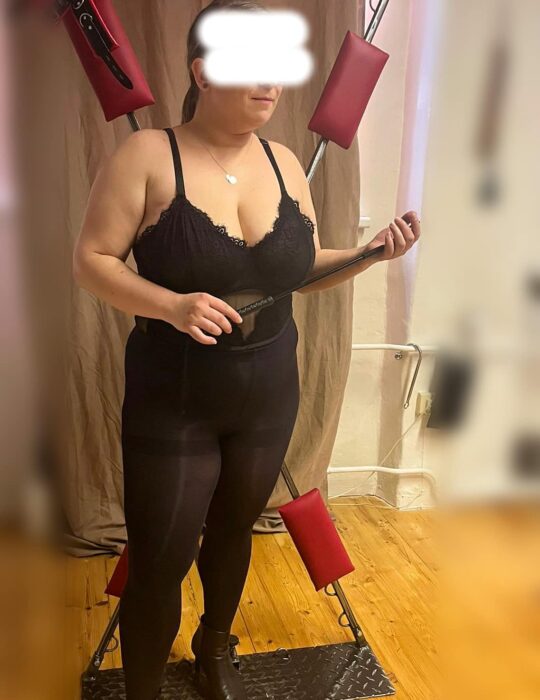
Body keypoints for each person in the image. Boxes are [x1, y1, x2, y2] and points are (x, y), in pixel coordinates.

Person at [72, 1, 420, 697]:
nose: (271, 84)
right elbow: (93, 260)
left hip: (267, 387)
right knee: (162, 558)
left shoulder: (284, 162)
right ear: (202, 72)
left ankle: (213, 650)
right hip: (175, 395)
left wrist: (370, 253)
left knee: (235, 529)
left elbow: (301, 270)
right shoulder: (148, 155)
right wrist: (170, 304)